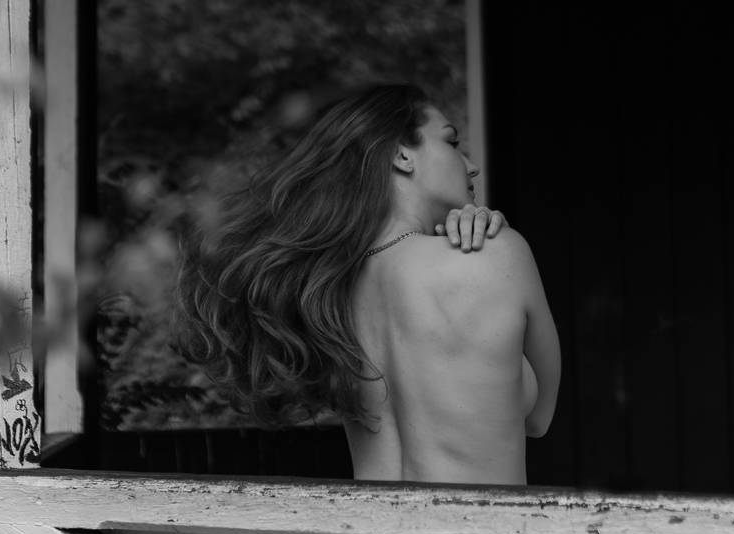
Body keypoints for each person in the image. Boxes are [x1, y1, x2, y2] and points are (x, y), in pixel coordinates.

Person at [177, 83, 560, 483]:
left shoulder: (326, 291)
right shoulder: (497, 254)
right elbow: (538, 419)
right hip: (479, 523)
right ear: (402, 155)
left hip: (371, 522)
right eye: (451, 142)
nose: (471, 165)